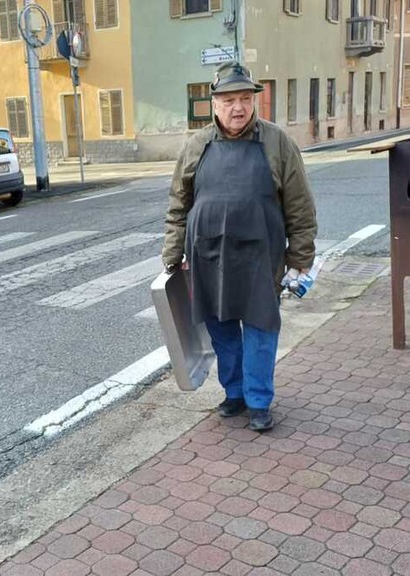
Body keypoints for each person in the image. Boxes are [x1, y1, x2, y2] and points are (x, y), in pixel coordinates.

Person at [161, 62, 318, 432]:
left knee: (262, 326)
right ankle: (234, 393)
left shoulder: (277, 142)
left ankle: (259, 400)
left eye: (245, 99)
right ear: (215, 104)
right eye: (229, 100)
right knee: (222, 328)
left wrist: (301, 256)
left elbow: (299, 204)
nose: (238, 108)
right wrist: (172, 251)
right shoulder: (196, 145)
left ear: (253, 101)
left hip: (261, 255)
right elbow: (179, 204)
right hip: (208, 254)